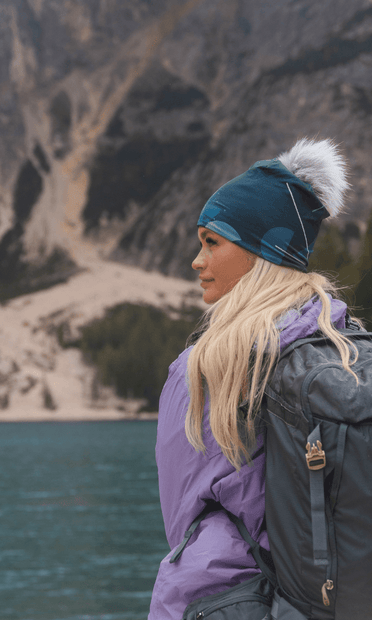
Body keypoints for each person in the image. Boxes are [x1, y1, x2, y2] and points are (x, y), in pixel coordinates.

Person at [148, 138, 359, 620]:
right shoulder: (348, 343)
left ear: (256, 251)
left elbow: (182, 516)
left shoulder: (204, 367)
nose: (197, 261)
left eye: (211, 241)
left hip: (228, 598)